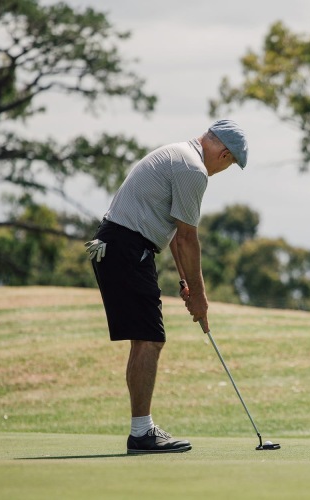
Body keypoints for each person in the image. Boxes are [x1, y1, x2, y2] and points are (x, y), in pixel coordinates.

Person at [84, 119, 248, 454]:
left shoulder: (179, 154)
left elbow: (174, 233)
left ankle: (141, 431)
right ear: (224, 154)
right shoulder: (194, 170)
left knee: (146, 339)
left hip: (120, 246)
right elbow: (188, 239)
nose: (225, 168)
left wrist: (186, 282)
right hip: (127, 248)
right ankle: (141, 434)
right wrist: (200, 299)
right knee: (150, 340)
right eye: (231, 163)